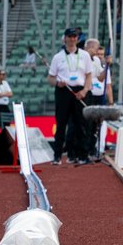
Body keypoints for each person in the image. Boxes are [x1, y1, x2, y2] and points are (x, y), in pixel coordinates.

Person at [48, 27, 96, 165]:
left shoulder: (85, 55)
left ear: (78, 38)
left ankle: (83, 155)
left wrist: (85, 91)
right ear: (65, 38)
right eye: (70, 36)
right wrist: (58, 83)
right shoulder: (58, 57)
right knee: (61, 124)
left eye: (75, 36)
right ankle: (57, 156)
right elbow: (50, 78)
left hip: (80, 92)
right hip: (64, 92)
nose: (72, 39)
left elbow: (88, 75)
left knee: (82, 124)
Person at [84, 38, 114, 162]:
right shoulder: (83, 58)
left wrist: (107, 65)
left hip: (98, 97)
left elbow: (104, 81)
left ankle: (93, 150)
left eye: (101, 53)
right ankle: (80, 151)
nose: (98, 55)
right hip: (87, 94)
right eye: (97, 51)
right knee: (86, 123)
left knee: (96, 125)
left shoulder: (96, 61)